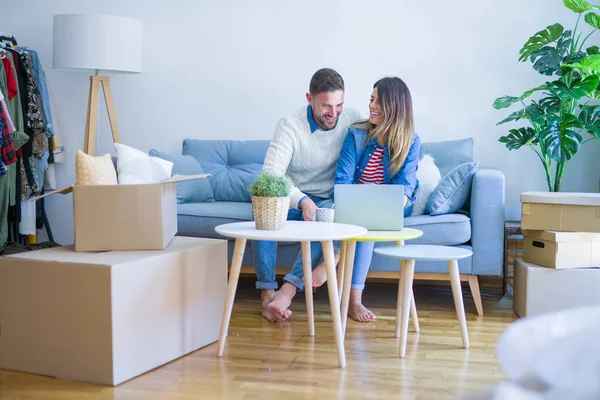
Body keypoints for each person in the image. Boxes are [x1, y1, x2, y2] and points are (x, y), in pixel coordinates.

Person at [252, 68, 362, 322]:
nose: (333, 114)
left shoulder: (354, 118)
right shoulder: (290, 124)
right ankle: (267, 294)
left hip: (329, 199)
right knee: (265, 205)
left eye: (339, 105)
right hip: (295, 196)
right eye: (326, 106)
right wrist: (301, 199)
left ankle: (288, 291)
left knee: (326, 218)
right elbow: (271, 173)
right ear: (309, 99)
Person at [310, 76, 421, 322]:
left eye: (378, 102)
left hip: (390, 206)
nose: (371, 106)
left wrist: (388, 208)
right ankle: (354, 300)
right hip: (352, 202)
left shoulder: (410, 141)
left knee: (370, 222)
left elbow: (405, 186)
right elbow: (342, 181)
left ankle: (338, 264)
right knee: (357, 218)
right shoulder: (357, 134)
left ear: (394, 107)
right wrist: (353, 204)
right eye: (371, 99)